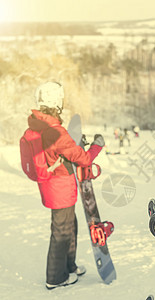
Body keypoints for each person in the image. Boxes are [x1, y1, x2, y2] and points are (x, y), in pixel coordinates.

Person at [28, 81, 105, 289]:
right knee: (61, 231)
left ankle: (69, 266)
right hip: (59, 187)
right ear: (57, 102)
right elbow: (84, 159)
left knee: (70, 226)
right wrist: (97, 145)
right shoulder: (56, 131)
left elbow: (61, 151)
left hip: (55, 186)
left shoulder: (40, 125)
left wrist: (73, 145)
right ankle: (55, 278)